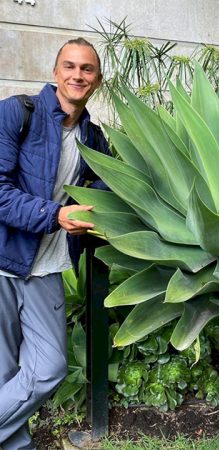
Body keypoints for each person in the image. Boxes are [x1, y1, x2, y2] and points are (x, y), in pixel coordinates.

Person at [0, 37, 109, 449]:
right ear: (55, 73)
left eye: (87, 69)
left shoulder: (93, 138)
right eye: (70, 66)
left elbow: (103, 192)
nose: (77, 75)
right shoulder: (16, 113)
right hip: (4, 259)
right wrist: (55, 215)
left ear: (97, 80)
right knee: (3, 368)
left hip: (46, 266)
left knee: (48, 367)